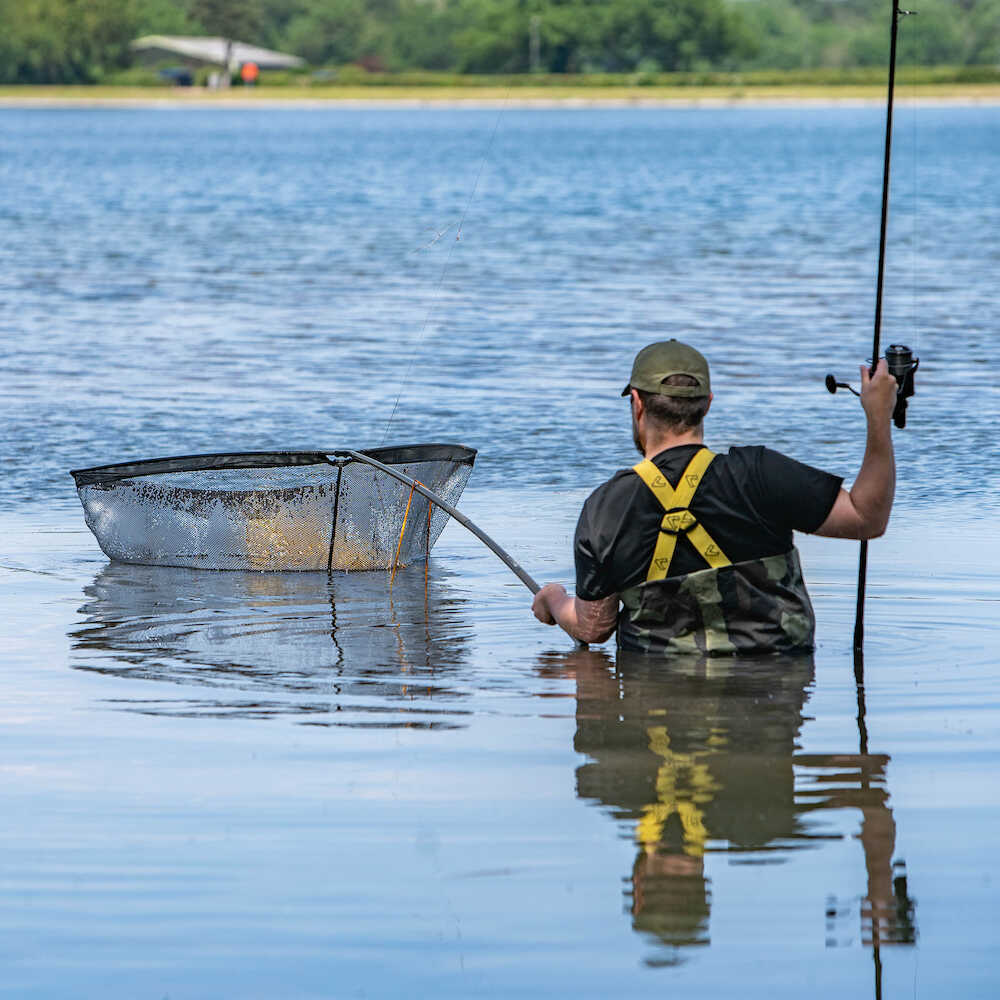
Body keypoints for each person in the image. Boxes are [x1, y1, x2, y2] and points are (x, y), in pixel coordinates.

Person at [531, 339, 899, 655]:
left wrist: (555, 599)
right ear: (706, 403)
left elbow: (592, 628)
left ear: (637, 403)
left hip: (661, 714)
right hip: (768, 711)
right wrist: (879, 416)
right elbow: (867, 518)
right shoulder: (760, 473)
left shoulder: (605, 507)